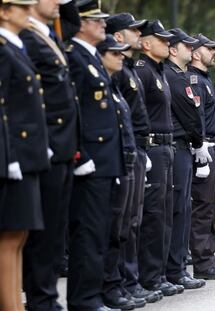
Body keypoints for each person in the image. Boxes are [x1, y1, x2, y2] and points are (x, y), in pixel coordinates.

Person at [20, 1, 80, 310]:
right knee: (42, 236)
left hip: (64, 146)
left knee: (55, 233)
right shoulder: (26, 38)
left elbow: (72, 22)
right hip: (49, 146)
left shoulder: (49, 35)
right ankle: (40, 300)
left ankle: (47, 298)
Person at [66, 1, 125, 310]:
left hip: (105, 160)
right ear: (80, 24)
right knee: (88, 233)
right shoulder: (75, 57)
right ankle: (83, 298)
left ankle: (93, 294)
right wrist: (81, 153)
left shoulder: (91, 58)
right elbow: (71, 111)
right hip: (91, 160)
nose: (103, 24)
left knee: (100, 231)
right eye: (96, 20)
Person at [105, 13, 163, 304]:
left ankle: (129, 280)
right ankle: (121, 282)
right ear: (117, 36)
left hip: (139, 150)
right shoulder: (124, 70)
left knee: (134, 220)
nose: (138, 34)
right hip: (127, 152)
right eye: (132, 30)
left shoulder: (127, 69)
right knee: (122, 222)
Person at [0, 1, 49, 310]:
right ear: (4, 11)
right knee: (8, 238)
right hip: (12, 156)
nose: (29, 11)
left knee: (19, 236)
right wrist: (11, 154)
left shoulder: (16, 47)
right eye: (22, 6)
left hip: (27, 155)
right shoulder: (3, 49)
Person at [95, 34, 147, 310]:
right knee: (115, 225)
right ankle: (111, 285)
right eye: (115, 52)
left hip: (130, 156)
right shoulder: (111, 80)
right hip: (113, 160)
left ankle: (124, 282)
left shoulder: (119, 79)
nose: (121, 56)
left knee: (128, 223)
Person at [135, 20, 184, 296]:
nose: (168, 44)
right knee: (152, 216)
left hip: (166, 149)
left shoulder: (159, 71)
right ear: (146, 43)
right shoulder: (142, 72)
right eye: (162, 40)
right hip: (152, 148)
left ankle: (160, 273)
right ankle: (149, 276)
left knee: (165, 215)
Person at [163, 28, 207, 289]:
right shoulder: (171, 75)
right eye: (186, 46)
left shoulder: (179, 75)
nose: (192, 49)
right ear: (173, 49)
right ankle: (173, 269)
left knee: (184, 209)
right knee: (177, 209)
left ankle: (178, 267)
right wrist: (199, 142)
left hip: (184, 146)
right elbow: (188, 113)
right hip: (178, 146)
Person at [188, 33, 215, 280]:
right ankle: (203, 263)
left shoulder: (204, 79)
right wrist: (200, 148)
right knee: (202, 208)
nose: (213, 52)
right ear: (196, 53)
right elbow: (196, 118)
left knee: (208, 205)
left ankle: (208, 260)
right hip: (203, 147)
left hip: (214, 146)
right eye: (209, 48)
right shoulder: (194, 80)